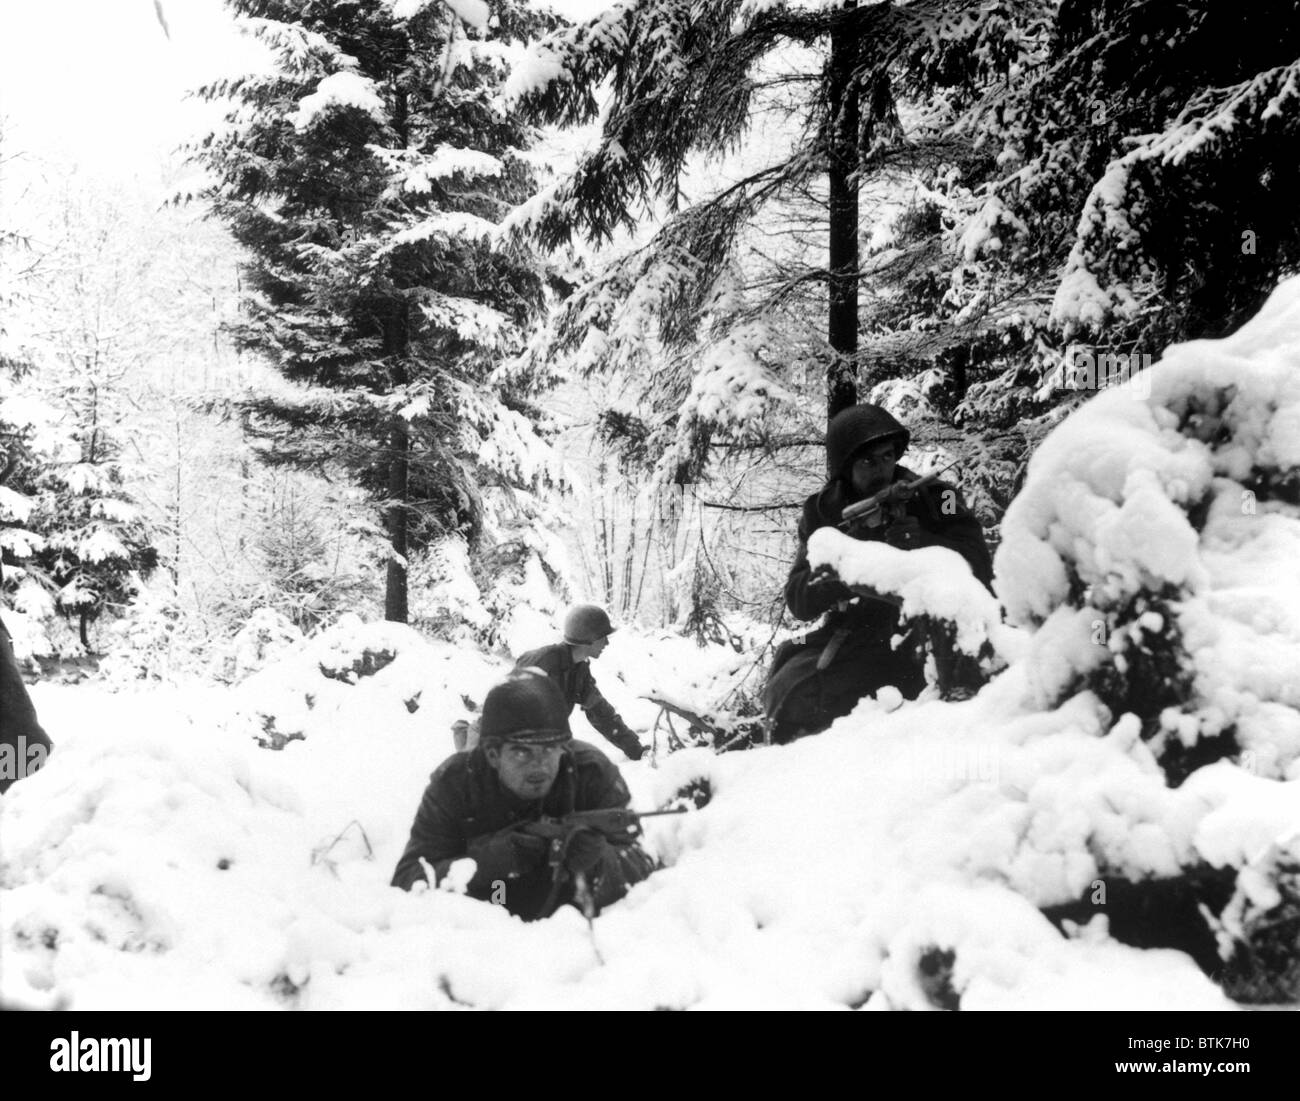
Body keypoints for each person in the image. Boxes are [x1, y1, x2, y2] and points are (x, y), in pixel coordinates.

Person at [763, 403, 994, 743]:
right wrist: (849, 557)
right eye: (868, 461)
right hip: (857, 635)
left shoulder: (940, 496)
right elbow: (799, 598)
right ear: (846, 467)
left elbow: (978, 564)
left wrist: (923, 542)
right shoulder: (822, 512)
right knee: (791, 695)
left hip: (929, 632)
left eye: (887, 456)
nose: (882, 470)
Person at [392, 670, 654, 921]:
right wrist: (487, 861)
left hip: (572, 924)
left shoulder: (591, 772)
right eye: (522, 752)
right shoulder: (456, 783)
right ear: (493, 754)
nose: (539, 765)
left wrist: (597, 864)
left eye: (550, 749)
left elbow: (642, 860)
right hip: (489, 910)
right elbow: (408, 880)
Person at [513, 604, 646, 761]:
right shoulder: (542, 662)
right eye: (603, 638)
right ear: (588, 639)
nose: (607, 644)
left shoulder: (579, 670)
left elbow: (602, 714)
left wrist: (636, 750)